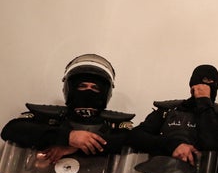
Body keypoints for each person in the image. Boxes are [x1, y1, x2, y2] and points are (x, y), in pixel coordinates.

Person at [1, 53, 133, 162]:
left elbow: (135, 141)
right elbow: (11, 130)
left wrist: (75, 146)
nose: (88, 91)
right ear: (70, 88)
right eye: (82, 86)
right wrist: (69, 137)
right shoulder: (48, 118)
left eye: (95, 87)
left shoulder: (115, 125)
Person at [128, 64, 218, 164]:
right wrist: (173, 145)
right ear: (192, 86)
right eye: (203, 81)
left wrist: (204, 102)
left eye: (211, 83)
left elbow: (212, 143)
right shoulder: (169, 110)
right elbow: (135, 136)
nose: (206, 87)